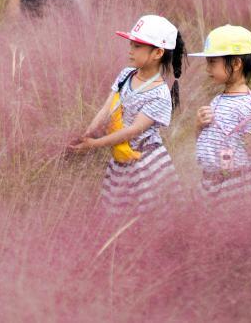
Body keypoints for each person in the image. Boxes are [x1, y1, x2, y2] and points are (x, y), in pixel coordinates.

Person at [69, 15, 185, 215]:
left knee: (150, 216)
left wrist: (94, 144)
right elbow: (107, 109)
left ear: (158, 52)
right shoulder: (126, 75)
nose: (130, 50)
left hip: (146, 164)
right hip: (120, 159)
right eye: (131, 44)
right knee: (116, 215)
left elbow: (133, 130)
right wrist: (87, 134)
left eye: (137, 46)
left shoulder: (159, 94)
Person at [190, 24, 251, 202]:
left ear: (236, 63)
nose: (207, 68)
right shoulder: (217, 100)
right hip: (209, 185)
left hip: (237, 187)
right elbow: (206, 143)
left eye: (212, 62)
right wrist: (198, 126)